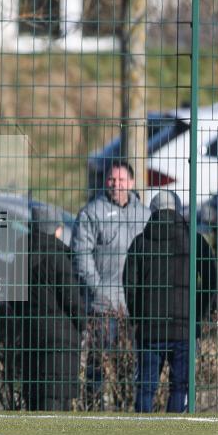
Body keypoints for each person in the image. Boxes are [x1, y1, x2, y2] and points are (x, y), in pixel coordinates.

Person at [124, 191, 218, 413]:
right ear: (177, 209)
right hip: (184, 324)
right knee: (180, 385)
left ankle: (141, 431)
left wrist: (138, 315)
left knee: (146, 387)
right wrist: (199, 311)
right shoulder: (193, 240)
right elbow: (212, 278)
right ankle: (175, 427)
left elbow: (129, 283)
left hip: (150, 327)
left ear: (152, 211)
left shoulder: (140, 242)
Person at [72, 161, 150, 410]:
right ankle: (93, 406)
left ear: (132, 183)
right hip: (104, 306)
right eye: (112, 180)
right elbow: (81, 255)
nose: (116, 185)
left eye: (122, 180)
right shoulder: (91, 214)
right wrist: (99, 290)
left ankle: (126, 407)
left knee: (130, 363)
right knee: (98, 362)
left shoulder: (145, 216)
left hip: (136, 305)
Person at [19, 205, 85, 411]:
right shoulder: (59, 258)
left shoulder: (20, 255)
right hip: (61, 337)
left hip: (29, 332)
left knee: (35, 398)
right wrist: (83, 324)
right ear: (56, 229)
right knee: (58, 400)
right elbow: (72, 300)